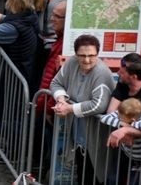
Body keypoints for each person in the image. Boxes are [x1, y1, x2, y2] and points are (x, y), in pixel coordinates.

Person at [50, 34, 115, 183]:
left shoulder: (101, 73)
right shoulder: (72, 63)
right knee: (82, 174)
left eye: (91, 55)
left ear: (97, 54)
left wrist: (69, 108)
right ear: (76, 54)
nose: (87, 60)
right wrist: (61, 99)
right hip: (78, 134)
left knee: (95, 175)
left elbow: (99, 104)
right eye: (82, 55)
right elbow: (56, 83)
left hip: (95, 136)